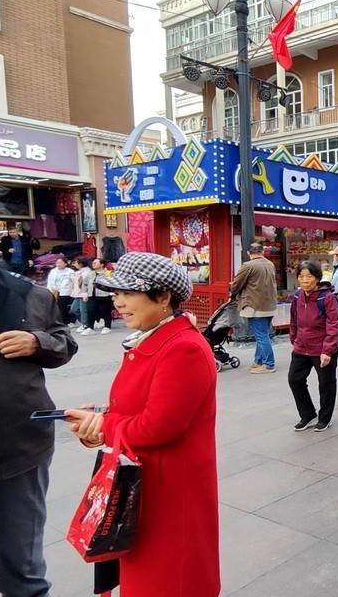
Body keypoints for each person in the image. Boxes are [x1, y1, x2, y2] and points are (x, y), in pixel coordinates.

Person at [65, 252, 219, 596]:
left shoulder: (183, 348)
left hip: (167, 494)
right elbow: (137, 408)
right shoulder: (151, 339)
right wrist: (98, 421)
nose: (118, 303)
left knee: (168, 580)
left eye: (127, 294)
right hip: (142, 482)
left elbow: (157, 426)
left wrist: (104, 424)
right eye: (115, 294)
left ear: (163, 297)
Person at [0, 264, 78, 597]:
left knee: (23, 565)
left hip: (19, 448)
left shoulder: (30, 295)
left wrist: (36, 342)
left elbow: (65, 344)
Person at [288, 261, 338, 432]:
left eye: (309, 276)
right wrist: (294, 340)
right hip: (301, 347)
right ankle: (308, 413)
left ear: (317, 278)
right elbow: (294, 320)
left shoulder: (326, 297)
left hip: (322, 349)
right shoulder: (297, 296)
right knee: (294, 379)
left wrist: (328, 350)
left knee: (326, 384)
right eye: (301, 276)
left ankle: (325, 418)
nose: (305, 280)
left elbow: (334, 324)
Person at [230, 243, 278, 374]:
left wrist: (232, 293)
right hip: (270, 304)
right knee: (262, 334)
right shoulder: (270, 264)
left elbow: (236, 285)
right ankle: (258, 361)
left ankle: (269, 364)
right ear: (262, 251)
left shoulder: (248, 266)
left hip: (254, 305)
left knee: (261, 335)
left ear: (248, 253)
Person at [88, 258, 115, 335]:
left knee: (105, 310)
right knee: (91, 311)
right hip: (92, 295)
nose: (93, 264)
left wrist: (112, 292)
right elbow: (85, 283)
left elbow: (111, 283)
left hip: (104, 295)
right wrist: (84, 293)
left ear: (102, 264)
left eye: (95, 263)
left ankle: (107, 326)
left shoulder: (108, 273)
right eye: (93, 263)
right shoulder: (90, 273)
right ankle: (90, 327)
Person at [47, 256, 77, 324]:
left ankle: (69, 321)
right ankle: (61, 321)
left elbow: (74, 282)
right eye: (57, 263)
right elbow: (50, 281)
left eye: (61, 263)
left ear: (66, 264)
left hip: (66, 291)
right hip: (55, 291)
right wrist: (50, 290)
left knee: (65, 307)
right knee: (58, 307)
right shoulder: (53, 271)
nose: (58, 264)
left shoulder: (70, 272)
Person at [70, 257, 92, 333]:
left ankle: (85, 324)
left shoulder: (86, 272)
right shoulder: (80, 271)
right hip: (78, 293)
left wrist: (85, 293)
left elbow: (86, 284)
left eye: (75, 263)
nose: (74, 264)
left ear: (80, 264)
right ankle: (84, 322)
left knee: (83, 310)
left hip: (83, 293)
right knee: (74, 309)